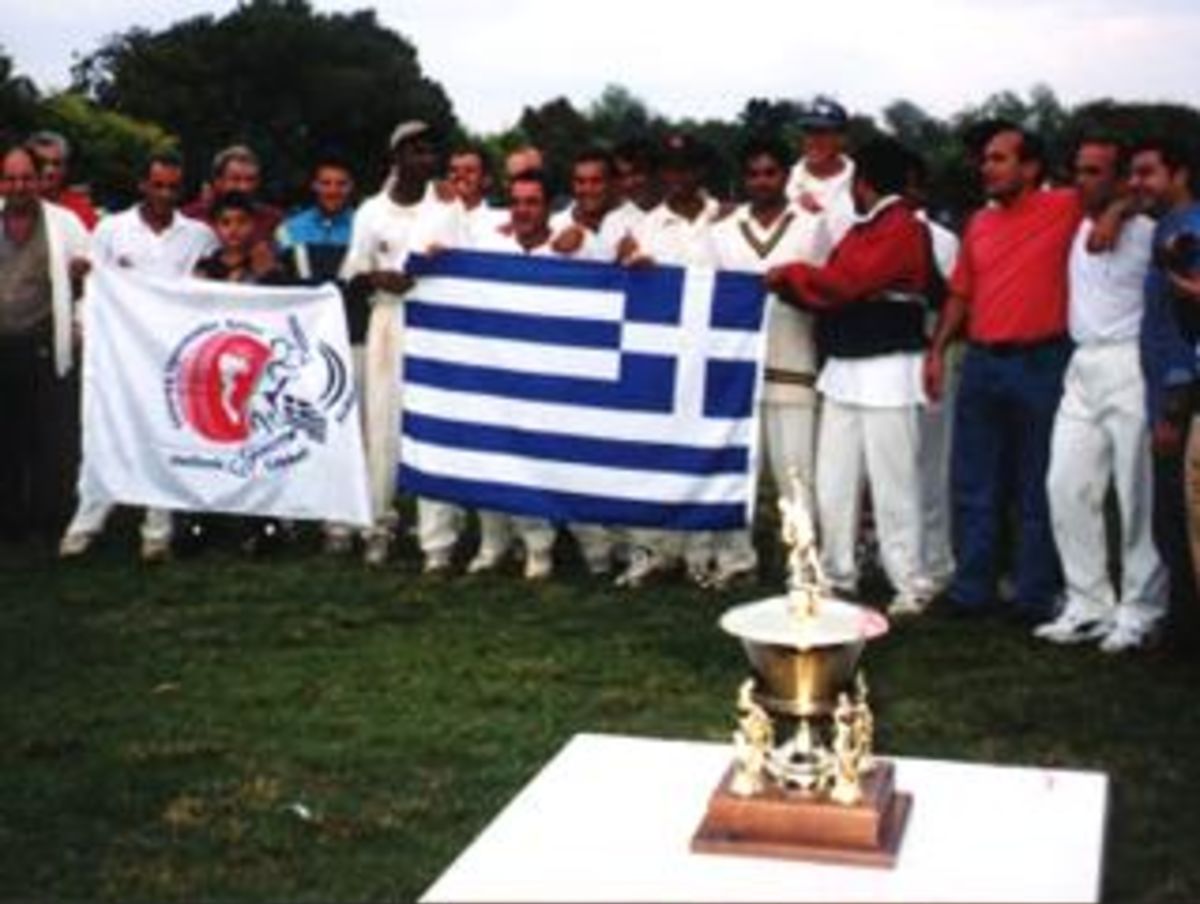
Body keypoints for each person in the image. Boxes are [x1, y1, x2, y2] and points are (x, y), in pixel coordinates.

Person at [924, 125, 1122, 622]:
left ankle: (1034, 595)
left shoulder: (1065, 206)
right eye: (985, 159)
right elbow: (962, 294)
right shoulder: (979, 224)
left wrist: (1117, 213)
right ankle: (973, 590)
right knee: (974, 484)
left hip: (1043, 362)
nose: (986, 167)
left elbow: (1129, 191)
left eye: (999, 159)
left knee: (1038, 485)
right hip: (983, 363)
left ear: (1031, 168)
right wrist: (937, 349)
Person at [768, 138, 935, 617]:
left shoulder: (903, 227)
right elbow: (833, 287)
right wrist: (799, 282)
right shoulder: (866, 228)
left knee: (894, 483)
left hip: (887, 369)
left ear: (863, 182)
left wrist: (790, 274)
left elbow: (844, 283)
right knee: (834, 481)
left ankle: (911, 582)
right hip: (846, 368)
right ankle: (838, 575)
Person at [1035, 138, 1166, 652]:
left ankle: (1142, 610)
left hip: (1131, 360)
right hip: (1082, 361)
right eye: (1079, 171)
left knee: (1137, 494)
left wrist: (1121, 209)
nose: (1082, 180)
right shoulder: (1081, 224)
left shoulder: (1150, 233)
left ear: (1119, 179)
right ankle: (1087, 603)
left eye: (1095, 172)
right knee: (1065, 484)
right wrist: (1110, 210)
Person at [59, 150, 218, 562]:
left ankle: (157, 530)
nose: (165, 194)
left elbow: (215, 293)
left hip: (176, 357)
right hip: (122, 353)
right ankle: (87, 520)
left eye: (173, 187)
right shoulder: (112, 229)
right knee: (105, 432)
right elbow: (94, 288)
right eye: (158, 185)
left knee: (166, 435)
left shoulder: (199, 234)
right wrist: (83, 327)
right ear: (143, 185)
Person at [466, 170, 606, 580]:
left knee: (562, 463)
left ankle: (584, 548)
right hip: (500, 372)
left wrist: (579, 241)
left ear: (549, 207)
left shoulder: (572, 244)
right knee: (494, 458)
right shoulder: (491, 243)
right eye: (518, 202)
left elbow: (615, 272)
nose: (524, 210)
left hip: (556, 376)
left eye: (533, 202)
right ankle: (498, 543)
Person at [341, 120, 465, 569]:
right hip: (388, 319)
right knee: (382, 426)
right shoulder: (371, 211)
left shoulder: (449, 207)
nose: (425, 159)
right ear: (396, 158)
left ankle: (437, 543)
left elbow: (468, 268)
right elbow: (351, 273)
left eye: (430, 151)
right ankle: (377, 526)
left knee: (434, 425)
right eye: (414, 151)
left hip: (438, 323)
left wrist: (433, 271)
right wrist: (377, 276)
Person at [709, 136, 832, 587]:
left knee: (795, 476)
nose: (762, 181)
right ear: (743, 178)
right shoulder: (720, 230)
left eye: (771, 172)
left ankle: (803, 566)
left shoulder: (810, 227)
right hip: (738, 373)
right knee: (736, 475)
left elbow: (825, 290)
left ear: (785, 175)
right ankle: (736, 561)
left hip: (795, 365)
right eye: (754, 173)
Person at [617, 132, 723, 588]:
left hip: (714, 354)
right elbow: (626, 286)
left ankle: (701, 554)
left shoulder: (727, 219)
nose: (679, 178)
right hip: (660, 356)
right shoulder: (645, 227)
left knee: (706, 451)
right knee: (654, 451)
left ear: (701, 172)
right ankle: (652, 551)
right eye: (671, 170)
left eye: (688, 169)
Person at [1127, 137, 1200, 652]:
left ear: (1180, 174)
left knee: (1181, 520)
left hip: (1185, 398)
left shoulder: (1187, 234)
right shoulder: (1171, 229)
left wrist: (1175, 406)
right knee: (1173, 520)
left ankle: (1185, 632)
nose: (1137, 184)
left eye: (1147, 173)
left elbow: (1188, 329)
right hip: (1171, 393)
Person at [0, 145, 90, 545]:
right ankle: (8, 520)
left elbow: (92, 282)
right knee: (6, 438)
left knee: (50, 440)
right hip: (2, 346)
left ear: (39, 181)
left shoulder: (66, 223)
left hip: (45, 345)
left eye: (25, 178)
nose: (18, 186)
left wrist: (79, 320)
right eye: (10, 178)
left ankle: (49, 518)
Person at [905, 151, 961, 596]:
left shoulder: (940, 238)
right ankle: (901, 554)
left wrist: (937, 351)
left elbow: (953, 305)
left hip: (929, 354)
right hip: (886, 360)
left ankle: (935, 560)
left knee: (930, 464)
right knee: (893, 466)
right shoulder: (865, 232)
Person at [183, 144, 283, 247]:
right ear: (218, 181)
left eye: (250, 179)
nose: (244, 187)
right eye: (235, 179)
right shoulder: (191, 218)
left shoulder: (272, 219)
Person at [785, 96, 856, 242]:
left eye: (823, 132)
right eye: (809, 131)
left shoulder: (863, 181)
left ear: (842, 138)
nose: (813, 140)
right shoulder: (784, 180)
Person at [27, 131, 99, 230]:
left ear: (65, 169)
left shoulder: (80, 211)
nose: (49, 170)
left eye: (56, 164)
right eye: (41, 162)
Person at [449, 144, 506, 244]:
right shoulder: (430, 217)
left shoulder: (503, 221)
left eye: (469, 171)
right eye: (454, 170)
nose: (460, 175)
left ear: (486, 180)